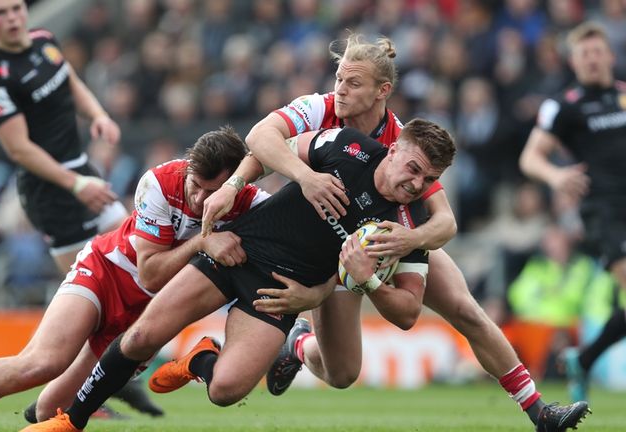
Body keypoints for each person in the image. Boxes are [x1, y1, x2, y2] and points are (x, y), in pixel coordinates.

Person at [201, 34, 589, 431]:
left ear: (381, 91)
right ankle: (299, 345)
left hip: (380, 238)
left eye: (352, 83)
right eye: (340, 79)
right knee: (342, 373)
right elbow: (261, 144)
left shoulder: (404, 145)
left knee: (464, 307)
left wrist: (410, 240)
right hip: (321, 239)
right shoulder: (319, 109)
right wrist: (237, 187)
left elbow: (445, 222)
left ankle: (538, 410)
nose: (340, 89)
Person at [22, 118, 455, 432]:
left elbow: (408, 313)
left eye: (429, 178)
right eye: (413, 168)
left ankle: (200, 360)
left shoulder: (410, 226)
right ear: (394, 149)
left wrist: (358, 283)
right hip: (239, 250)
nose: (416, 184)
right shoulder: (348, 146)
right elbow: (266, 148)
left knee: (225, 391)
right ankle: (70, 423)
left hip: (280, 292)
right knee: (141, 338)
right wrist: (262, 182)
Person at [0, 126, 267, 432]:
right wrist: (205, 240)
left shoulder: (251, 205)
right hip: (107, 274)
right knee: (41, 362)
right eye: (196, 185)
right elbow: (150, 271)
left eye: (214, 192)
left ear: (237, 185)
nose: (200, 200)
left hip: (147, 318)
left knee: (49, 411)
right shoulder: (160, 181)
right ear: (189, 168)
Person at [0, 0, 156, 417]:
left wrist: (97, 113)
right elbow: (19, 149)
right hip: (53, 193)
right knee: (90, 303)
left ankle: (105, 380)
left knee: (143, 255)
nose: (13, 17)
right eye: (1, 13)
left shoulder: (44, 42)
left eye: (17, 8)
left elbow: (69, 78)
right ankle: (71, 400)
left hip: (82, 174)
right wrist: (76, 185)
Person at [520, 21, 626, 403]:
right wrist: (556, 175)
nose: (593, 60)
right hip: (605, 212)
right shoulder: (564, 106)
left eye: (598, 52)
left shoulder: (624, 96)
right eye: (584, 54)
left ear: (611, 56)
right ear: (573, 62)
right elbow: (530, 157)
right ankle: (585, 357)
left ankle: (584, 357)